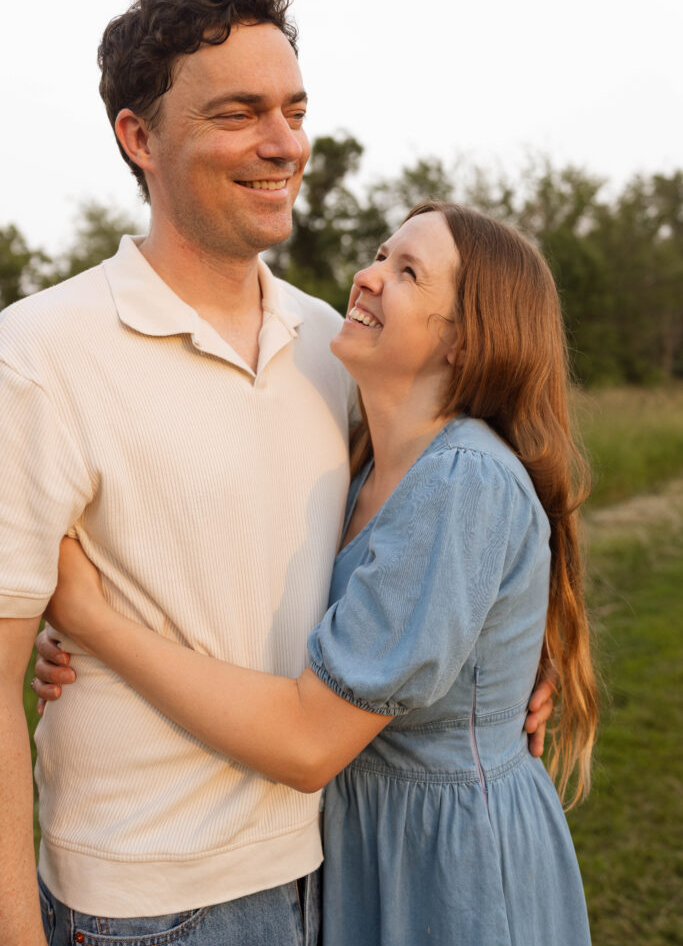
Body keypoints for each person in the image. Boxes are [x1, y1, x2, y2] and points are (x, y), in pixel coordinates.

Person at [0, 0, 554, 946]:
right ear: (139, 139)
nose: (283, 143)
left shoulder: (331, 350)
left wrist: (502, 655)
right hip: (146, 904)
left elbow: (447, 519)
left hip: (328, 868)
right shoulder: (38, 354)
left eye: (293, 109)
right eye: (239, 113)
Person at [42, 202, 597, 945]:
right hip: (368, 841)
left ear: (465, 340)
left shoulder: (459, 481)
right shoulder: (364, 458)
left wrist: (92, 620)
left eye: (407, 273)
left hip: (446, 859)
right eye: (379, 254)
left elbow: (309, 742)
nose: (366, 277)